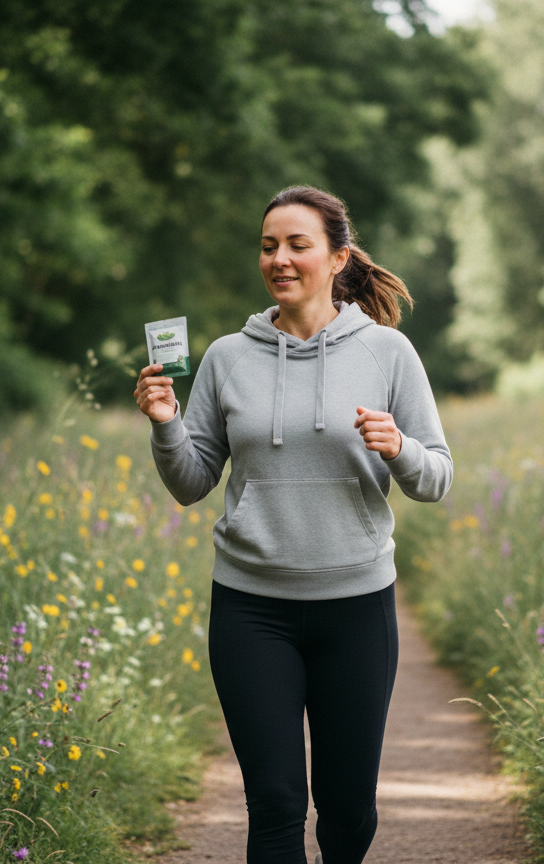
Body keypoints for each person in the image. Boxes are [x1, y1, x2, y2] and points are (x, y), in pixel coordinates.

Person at [134, 186, 452, 864]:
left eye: (297, 244)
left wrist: (399, 448)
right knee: (275, 804)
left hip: (357, 609)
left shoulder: (389, 353)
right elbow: (191, 484)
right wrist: (165, 425)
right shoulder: (226, 357)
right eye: (268, 245)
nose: (279, 258)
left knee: (346, 811)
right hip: (251, 611)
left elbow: (438, 478)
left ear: (337, 257)